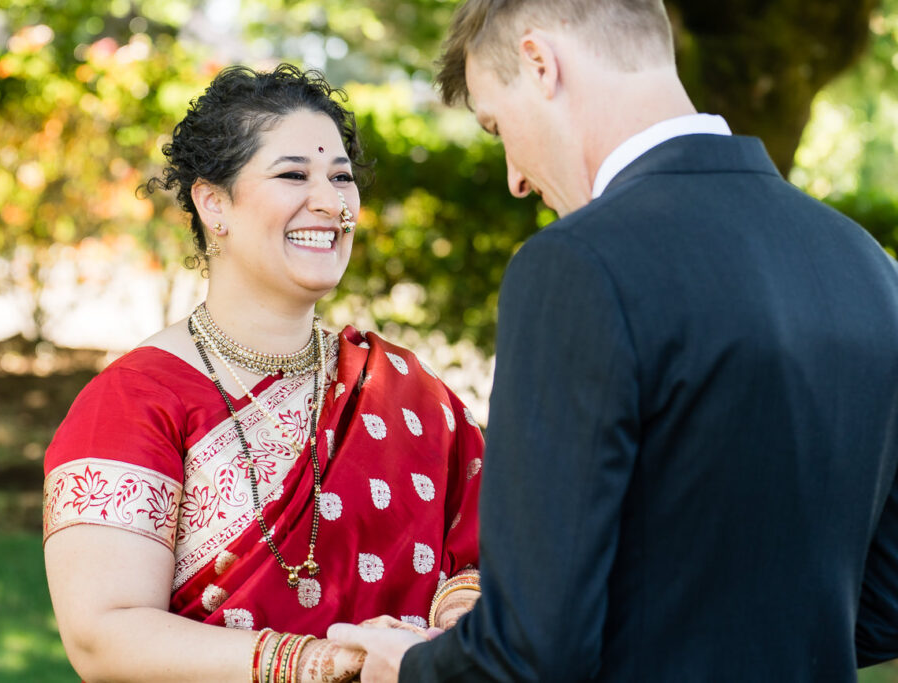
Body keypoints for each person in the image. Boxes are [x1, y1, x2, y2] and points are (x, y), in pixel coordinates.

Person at [329, 1, 898, 680]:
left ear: (541, 64)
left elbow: (532, 652)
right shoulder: (867, 266)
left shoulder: (576, 265)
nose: (514, 176)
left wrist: (414, 665)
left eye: (496, 125)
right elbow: (886, 605)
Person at [42, 64, 485, 683]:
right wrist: (327, 662)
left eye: (341, 178)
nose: (331, 203)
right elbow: (103, 634)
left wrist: (457, 625)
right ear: (213, 202)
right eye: (293, 175)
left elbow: (492, 553)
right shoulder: (134, 403)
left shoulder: (405, 389)